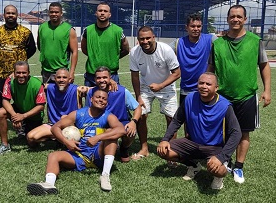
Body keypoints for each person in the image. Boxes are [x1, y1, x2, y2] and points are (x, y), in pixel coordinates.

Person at [208, 4, 271, 184]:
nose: (235, 19)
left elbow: (264, 65)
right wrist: (207, 86)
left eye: (239, 16)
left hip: (247, 95)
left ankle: (239, 167)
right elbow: (210, 68)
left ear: (244, 19)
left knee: (244, 133)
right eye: (232, 16)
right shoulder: (218, 43)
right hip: (223, 97)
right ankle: (224, 161)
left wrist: (267, 90)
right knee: (222, 133)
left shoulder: (255, 40)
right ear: (227, 19)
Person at [27, 89, 125, 195]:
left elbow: (121, 130)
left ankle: (105, 175)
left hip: (98, 154)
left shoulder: (108, 116)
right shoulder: (79, 114)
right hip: (79, 154)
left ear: (107, 103)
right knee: (53, 156)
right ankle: (49, 184)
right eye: (98, 97)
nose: (100, 100)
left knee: (111, 135)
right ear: (91, 99)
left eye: (104, 99)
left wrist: (98, 138)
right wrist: (66, 142)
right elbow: (55, 127)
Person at [157, 72, 242, 190]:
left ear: (216, 88)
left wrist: (221, 157)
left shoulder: (225, 106)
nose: (204, 86)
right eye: (201, 83)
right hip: (192, 143)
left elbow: (236, 132)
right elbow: (176, 121)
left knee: (218, 170)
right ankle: (194, 166)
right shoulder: (189, 98)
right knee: (164, 151)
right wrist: (165, 139)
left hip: (214, 147)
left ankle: (218, 178)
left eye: (208, 84)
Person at [129, 26, 180, 161]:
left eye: (147, 38)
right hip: (146, 87)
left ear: (153, 37)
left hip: (166, 86)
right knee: (140, 115)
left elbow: (177, 73)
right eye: (141, 39)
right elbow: (134, 76)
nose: (145, 41)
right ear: (138, 40)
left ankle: (171, 152)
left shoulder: (166, 50)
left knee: (171, 118)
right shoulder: (134, 52)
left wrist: (161, 85)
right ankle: (144, 148)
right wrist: (138, 96)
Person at [85, 66, 142, 162]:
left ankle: (124, 149)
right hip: (99, 123)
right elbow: (87, 111)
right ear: (94, 79)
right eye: (98, 78)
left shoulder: (121, 91)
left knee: (130, 132)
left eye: (104, 77)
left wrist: (133, 122)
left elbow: (138, 108)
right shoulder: (91, 92)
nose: (101, 80)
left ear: (110, 78)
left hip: (120, 122)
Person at [0, 61, 46, 156]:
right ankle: (5, 145)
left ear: (29, 73)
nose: (21, 75)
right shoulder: (9, 81)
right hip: (18, 110)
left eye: (24, 72)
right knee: (1, 112)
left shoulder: (37, 84)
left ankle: (44, 135)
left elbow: (41, 106)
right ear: (14, 72)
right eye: (18, 72)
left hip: (33, 115)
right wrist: (14, 116)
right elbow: (5, 100)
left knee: (32, 142)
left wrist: (23, 116)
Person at [0, 4, 36, 111]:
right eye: (8, 13)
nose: (10, 15)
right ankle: (0, 123)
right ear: (4, 15)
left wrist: (21, 60)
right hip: (2, 72)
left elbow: (32, 49)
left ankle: (21, 120)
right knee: (1, 99)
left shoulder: (25, 32)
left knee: (21, 99)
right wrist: (4, 57)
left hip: (20, 73)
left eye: (13, 13)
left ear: (17, 15)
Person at [26, 68, 85, 147]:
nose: (61, 80)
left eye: (64, 77)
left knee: (64, 117)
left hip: (71, 125)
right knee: (31, 137)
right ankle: (57, 138)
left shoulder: (76, 89)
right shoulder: (49, 88)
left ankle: (60, 139)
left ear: (69, 79)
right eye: (59, 77)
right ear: (54, 78)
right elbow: (34, 84)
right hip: (54, 124)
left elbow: (92, 90)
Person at [171, 14, 216, 104]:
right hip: (186, 89)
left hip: (205, 89)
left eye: (198, 26)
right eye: (193, 26)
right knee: (185, 117)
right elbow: (163, 50)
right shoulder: (179, 43)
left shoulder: (210, 39)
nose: (196, 29)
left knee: (204, 117)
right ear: (186, 27)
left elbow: (224, 45)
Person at [81, 2, 129, 86]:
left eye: (105, 11)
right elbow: (84, 49)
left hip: (111, 75)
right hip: (91, 76)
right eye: (100, 10)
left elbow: (126, 49)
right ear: (96, 13)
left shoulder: (118, 31)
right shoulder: (88, 30)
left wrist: (114, 57)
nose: (102, 13)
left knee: (112, 99)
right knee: (91, 99)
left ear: (109, 14)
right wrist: (94, 56)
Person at [37, 2, 78, 83]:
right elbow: (40, 46)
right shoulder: (42, 27)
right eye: (51, 12)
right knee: (47, 94)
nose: (54, 14)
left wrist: (72, 72)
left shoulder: (69, 29)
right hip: (46, 70)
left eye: (56, 12)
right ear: (49, 13)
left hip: (62, 70)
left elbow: (75, 51)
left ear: (61, 13)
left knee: (63, 94)